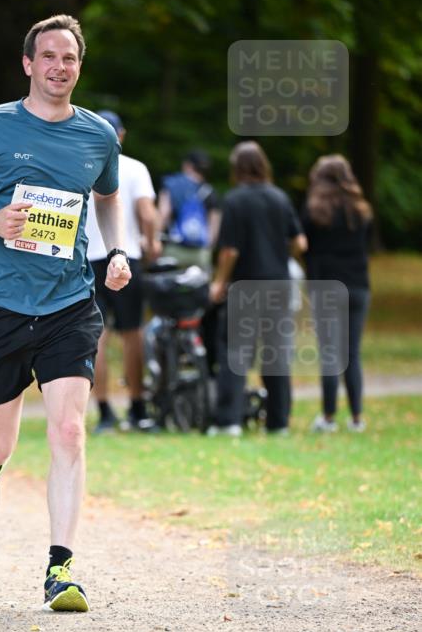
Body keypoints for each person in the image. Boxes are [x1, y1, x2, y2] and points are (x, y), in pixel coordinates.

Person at [0, 14, 131, 613]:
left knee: (70, 431)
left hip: (69, 303)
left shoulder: (98, 136)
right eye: (47, 56)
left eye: (68, 58)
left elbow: (109, 195)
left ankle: (61, 570)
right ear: (28, 64)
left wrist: (116, 250)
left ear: (79, 66)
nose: (58, 67)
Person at [208, 141, 307, 436]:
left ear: (237, 169)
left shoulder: (236, 200)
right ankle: (278, 422)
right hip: (278, 286)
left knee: (235, 354)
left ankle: (229, 421)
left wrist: (219, 282)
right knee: (276, 354)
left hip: (245, 287)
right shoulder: (279, 198)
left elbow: (230, 252)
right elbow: (300, 242)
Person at [85, 110, 161, 433]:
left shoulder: (82, 166)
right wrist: (153, 243)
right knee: (133, 334)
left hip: (87, 258)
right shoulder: (134, 168)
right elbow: (148, 212)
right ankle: (137, 406)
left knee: (96, 337)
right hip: (123, 255)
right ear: (122, 134)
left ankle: (103, 411)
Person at [302, 155, 373, 433]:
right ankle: (356, 418)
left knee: (330, 354)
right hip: (358, 286)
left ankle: (329, 417)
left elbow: (302, 245)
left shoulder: (313, 212)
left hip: (326, 287)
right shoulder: (362, 211)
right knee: (352, 354)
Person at [157, 150, 221, 270]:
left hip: (175, 249)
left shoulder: (171, 185)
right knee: (199, 287)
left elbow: (163, 214)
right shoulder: (211, 192)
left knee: (171, 286)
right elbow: (214, 229)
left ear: (187, 165)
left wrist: (154, 241)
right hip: (200, 253)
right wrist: (208, 249)